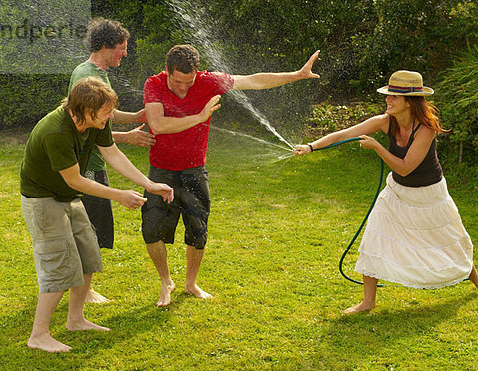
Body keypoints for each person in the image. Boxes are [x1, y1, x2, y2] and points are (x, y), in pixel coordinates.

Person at [294, 70, 478, 314]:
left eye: (393, 97)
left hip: (429, 194)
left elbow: (406, 167)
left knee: (448, 238)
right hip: (397, 191)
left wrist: (377, 147)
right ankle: (368, 301)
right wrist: (311, 146)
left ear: (409, 102)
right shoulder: (385, 121)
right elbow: (346, 133)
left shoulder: (426, 128)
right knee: (375, 234)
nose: (387, 100)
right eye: (388, 96)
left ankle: (476, 279)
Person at [143, 44, 320, 307]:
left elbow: (253, 81)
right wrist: (200, 116)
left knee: (197, 230)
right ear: (167, 70)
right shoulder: (154, 84)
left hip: (194, 169)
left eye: (189, 82)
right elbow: (157, 125)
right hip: (161, 169)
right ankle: (166, 281)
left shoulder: (208, 81)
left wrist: (296, 74)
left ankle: (190, 283)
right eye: (178, 82)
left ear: (197, 73)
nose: (183, 88)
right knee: (152, 230)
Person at [20, 77, 174, 352]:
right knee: (59, 264)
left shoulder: (95, 122)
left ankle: (75, 319)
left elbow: (113, 154)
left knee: (88, 254)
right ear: (85, 112)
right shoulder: (57, 131)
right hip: (42, 199)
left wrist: (148, 185)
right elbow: (75, 180)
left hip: (67, 196)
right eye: (106, 113)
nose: (111, 116)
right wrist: (120, 195)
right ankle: (39, 335)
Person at [69, 18, 155, 303]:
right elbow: (87, 125)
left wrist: (135, 117)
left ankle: (83, 287)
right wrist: (126, 137)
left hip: (93, 162)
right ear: (105, 46)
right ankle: (85, 290)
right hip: (88, 165)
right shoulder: (86, 76)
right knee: (91, 226)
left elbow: (104, 112)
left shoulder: (96, 73)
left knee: (93, 225)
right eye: (121, 47)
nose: (125, 53)